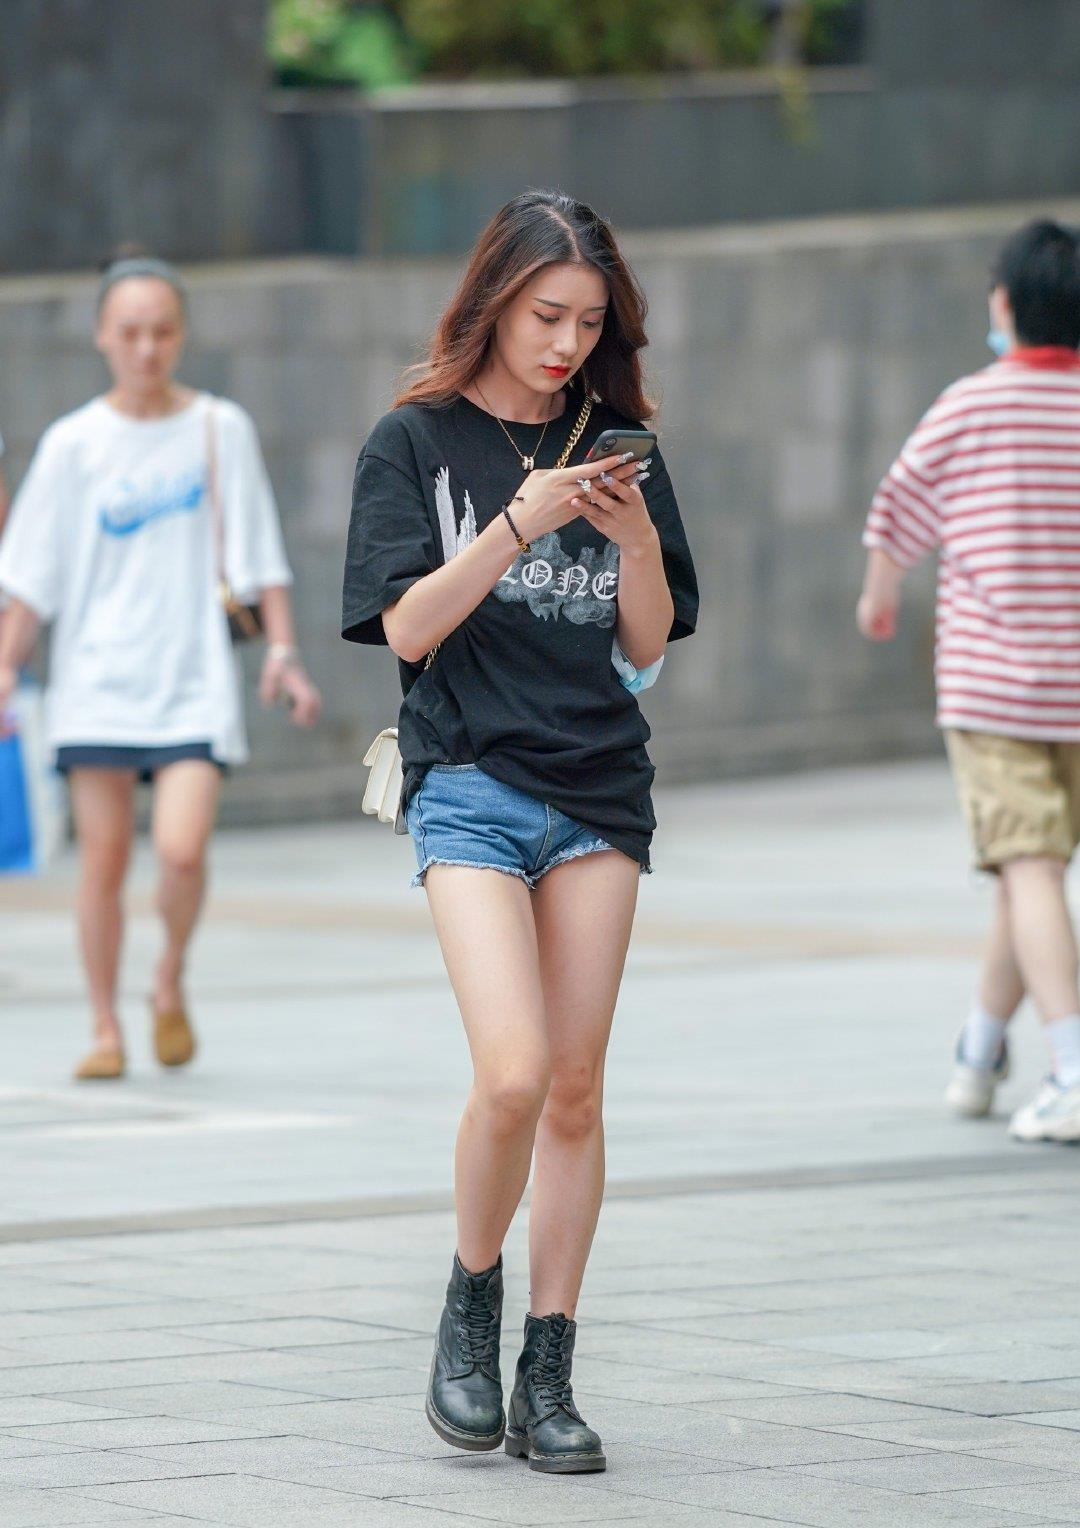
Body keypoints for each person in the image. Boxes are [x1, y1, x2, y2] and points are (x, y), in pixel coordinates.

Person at [342, 191, 697, 1473]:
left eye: (589, 323)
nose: (565, 344)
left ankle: (549, 1369)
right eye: (547, 315)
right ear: (495, 299)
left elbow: (646, 645)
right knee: (512, 1071)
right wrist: (517, 523)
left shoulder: (617, 441)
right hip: (470, 781)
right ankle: (469, 1298)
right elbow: (404, 627)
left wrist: (635, 536)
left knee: (577, 1087)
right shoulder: (415, 441)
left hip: (598, 789)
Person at [0, 253, 321, 1080]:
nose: (146, 348)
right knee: (103, 863)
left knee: (180, 851)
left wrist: (283, 653)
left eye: (162, 331)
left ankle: (169, 975)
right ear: (103, 336)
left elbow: (261, 554)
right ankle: (105, 1026)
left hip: (191, 681)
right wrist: (5, 668)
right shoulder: (73, 444)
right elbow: (29, 580)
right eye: (131, 332)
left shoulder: (219, 428)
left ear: (181, 335)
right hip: (96, 683)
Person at [858, 218, 1080, 1144]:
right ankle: (981, 1053)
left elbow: (899, 504)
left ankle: (1071, 1069)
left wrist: (879, 594)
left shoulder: (972, 404)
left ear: (1006, 304)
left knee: (1027, 867)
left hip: (994, 693)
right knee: (1032, 871)